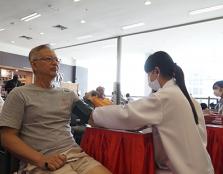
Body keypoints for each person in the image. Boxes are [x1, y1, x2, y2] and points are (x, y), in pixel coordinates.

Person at [89, 51, 214, 174]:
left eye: (148, 74)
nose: (149, 79)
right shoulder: (189, 99)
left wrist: (94, 114)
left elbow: (127, 115)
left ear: (156, 71)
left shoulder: (164, 97)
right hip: (203, 167)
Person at [0, 44, 111, 174]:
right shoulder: (19, 94)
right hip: (42, 162)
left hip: (76, 156)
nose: (55, 63)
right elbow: (7, 137)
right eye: (48, 59)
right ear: (34, 64)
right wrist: (41, 159)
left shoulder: (68, 94)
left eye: (56, 60)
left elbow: (92, 118)